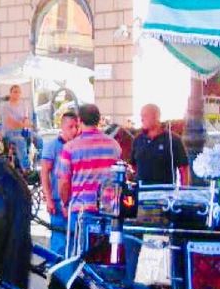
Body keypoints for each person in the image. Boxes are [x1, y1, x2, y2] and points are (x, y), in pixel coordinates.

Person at [56, 102, 123, 257]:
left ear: (79, 120)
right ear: (98, 120)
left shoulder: (70, 147)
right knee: (106, 255)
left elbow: (64, 182)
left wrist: (65, 203)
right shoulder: (114, 145)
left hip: (81, 210)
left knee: (77, 256)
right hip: (108, 210)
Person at [39, 106, 79, 257]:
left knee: (75, 239)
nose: (74, 130)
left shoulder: (78, 145)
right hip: (57, 200)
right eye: (70, 127)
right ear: (62, 127)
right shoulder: (52, 146)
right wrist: (48, 199)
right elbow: (44, 173)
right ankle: (57, 276)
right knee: (59, 241)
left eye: (76, 126)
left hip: (75, 202)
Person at [131, 103, 188, 187]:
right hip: (141, 193)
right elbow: (133, 165)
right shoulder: (138, 140)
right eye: (141, 116)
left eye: (145, 116)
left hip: (164, 194)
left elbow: (183, 169)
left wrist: (184, 191)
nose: (142, 119)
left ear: (156, 116)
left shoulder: (173, 140)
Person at [0, 83, 33, 168]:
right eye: (15, 92)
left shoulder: (23, 105)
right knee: (21, 141)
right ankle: (26, 169)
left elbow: (26, 118)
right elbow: (10, 123)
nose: (17, 94)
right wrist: (24, 125)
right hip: (10, 132)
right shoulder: (5, 106)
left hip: (22, 130)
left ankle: (38, 162)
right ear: (10, 93)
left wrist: (26, 121)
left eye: (19, 92)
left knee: (38, 139)